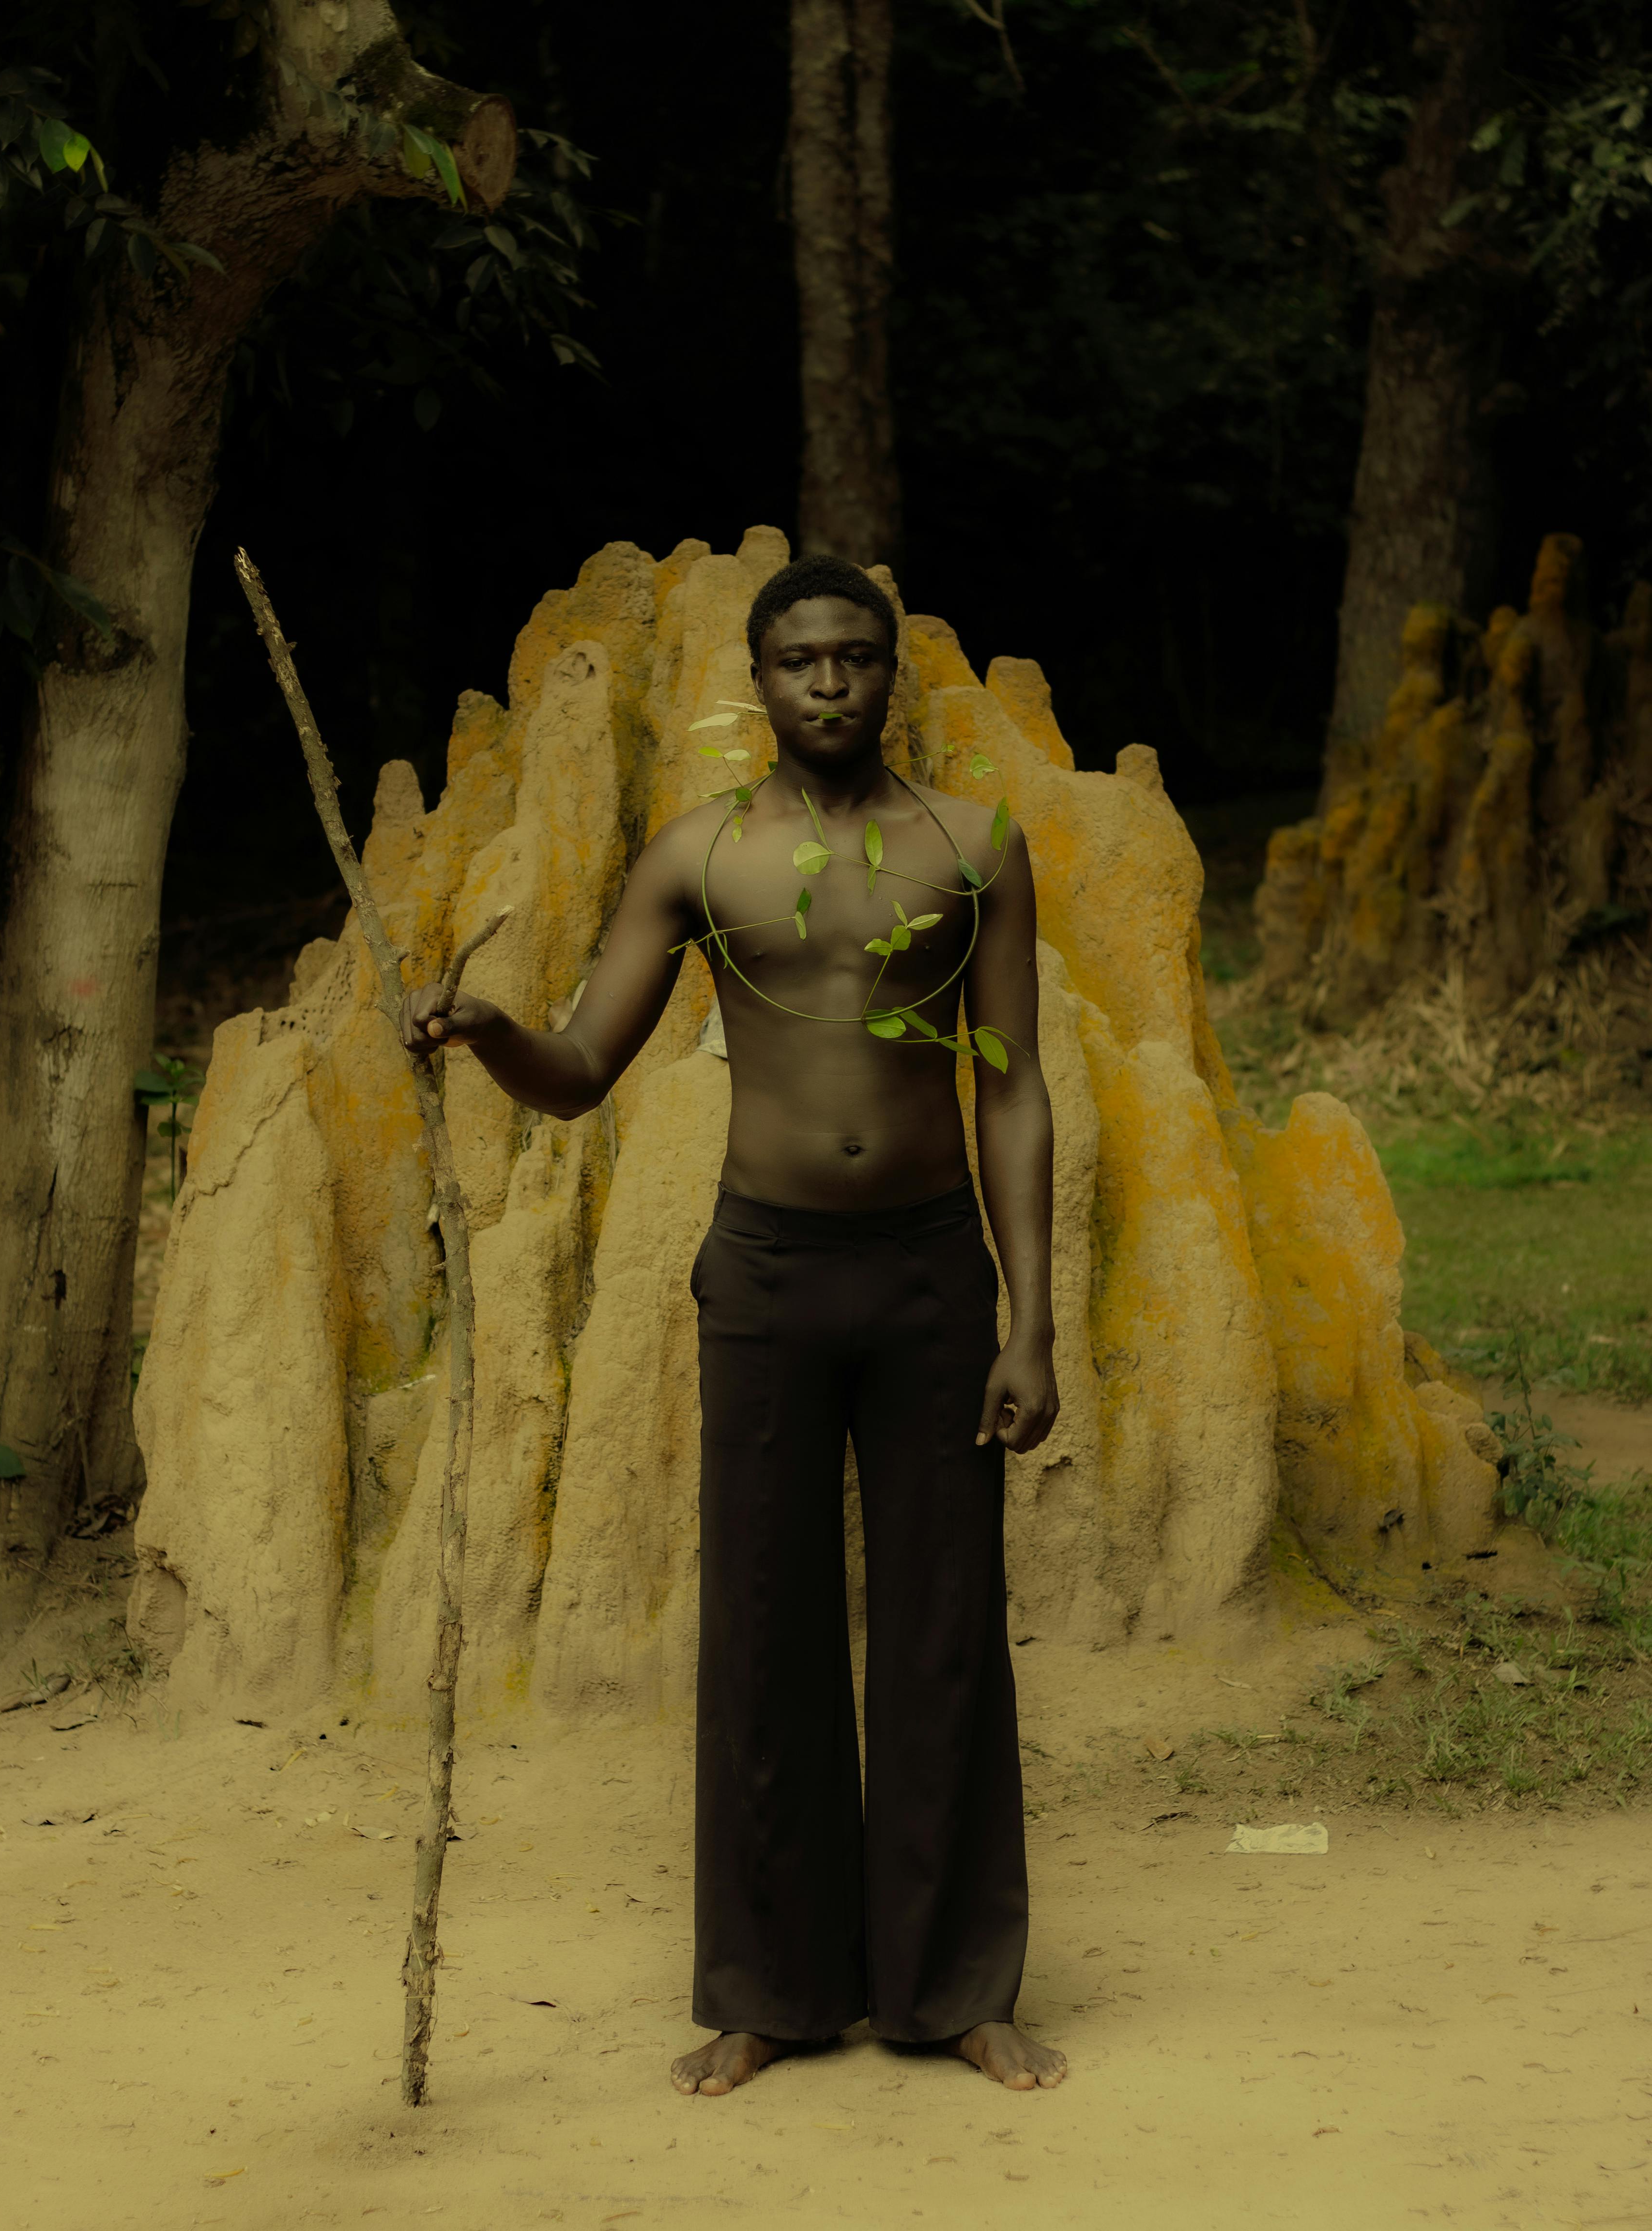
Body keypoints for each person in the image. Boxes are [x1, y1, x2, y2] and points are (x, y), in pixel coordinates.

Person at [401, 554, 1065, 2096]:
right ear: (757, 682)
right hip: (766, 1275)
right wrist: (491, 1033)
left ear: (890, 675)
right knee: (765, 1627)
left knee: (945, 1631)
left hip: (930, 1273)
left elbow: (1013, 1085)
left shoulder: (974, 848)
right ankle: (771, 1990)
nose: (828, 682)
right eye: (799, 660)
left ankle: (955, 1989)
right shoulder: (699, 857)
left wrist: (1031, 1320)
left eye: (854, 657)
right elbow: (582, 1069)